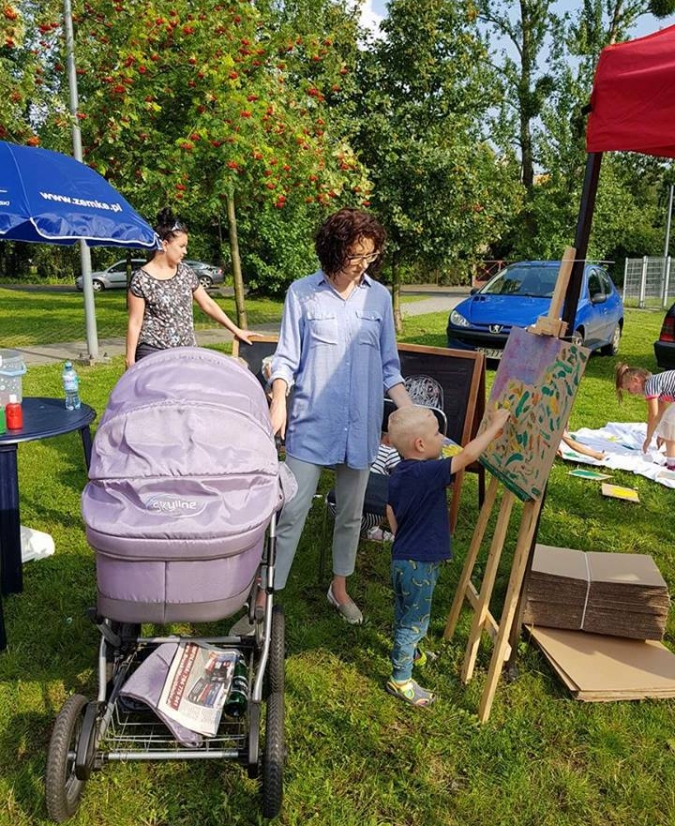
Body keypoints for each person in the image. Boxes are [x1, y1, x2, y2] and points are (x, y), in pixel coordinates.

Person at [267, 207, 413, 625]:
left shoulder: (378, 297)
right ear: (334, 250)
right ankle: (267, 594)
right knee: (292, 509)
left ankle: (339, 587)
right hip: (311, 423)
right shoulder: (302, 293)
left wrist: (410, 411)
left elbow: (389, 367)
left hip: (361, 426)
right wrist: (279, 400)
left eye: (370, 255)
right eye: (355, 255)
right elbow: (286, 358)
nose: (363, 264)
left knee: (351, 514)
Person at [385, 404, 510, 707]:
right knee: (414, 621)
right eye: (437, 434)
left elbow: (390, 509)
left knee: (406, 610)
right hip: (419, 563)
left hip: (403, 558)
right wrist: (496, 425)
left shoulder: (401, 472)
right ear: (420, 444)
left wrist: (402, 537)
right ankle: (400, 679)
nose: (442, 438)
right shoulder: (426, 473)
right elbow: (466, 457)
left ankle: (411, 652)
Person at [125, 207, 255, 368]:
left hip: (186, 352)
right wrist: (130, 360)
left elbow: (208, 304)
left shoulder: (185, 272)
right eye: (181, 246)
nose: (185, 251)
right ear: (165, 244)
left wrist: (236, 330)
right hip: (154, 352)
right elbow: (135, 322)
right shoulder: (141, 279)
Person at [615, 363, 675, 469]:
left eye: (629, 389)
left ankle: (672, 464)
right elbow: (661, 411)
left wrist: (649, 438)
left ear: (635, 380)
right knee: (669, 426)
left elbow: (653, 416)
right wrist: (662, 433)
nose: (631, 393)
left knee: (670, 429)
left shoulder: (650, 386)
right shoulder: (656, 382)